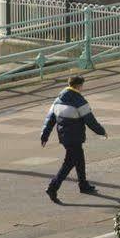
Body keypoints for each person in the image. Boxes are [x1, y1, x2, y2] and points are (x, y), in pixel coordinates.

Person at [40, 74, 107, 202]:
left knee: (79, 159)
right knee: (69, 163)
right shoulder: (79, 100)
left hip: (64, 136)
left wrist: (45, 135)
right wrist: (101, 131)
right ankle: (52, 187)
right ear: (78, 86)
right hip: (75, 137)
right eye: (82, 86)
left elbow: (50, 119)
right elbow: (90, 120)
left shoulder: (58, 99)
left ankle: (83, 184)